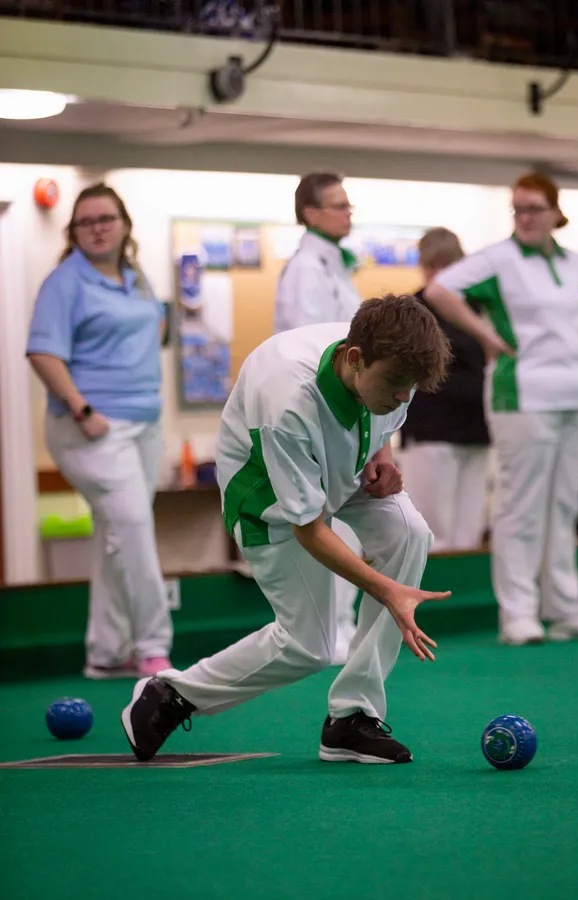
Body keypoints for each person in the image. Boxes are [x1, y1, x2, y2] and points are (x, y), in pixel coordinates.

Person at [121, 295, 452, 765]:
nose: (404, 396)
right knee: (308, 647)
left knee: (410, 534)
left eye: (412, 388)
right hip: (267, 497)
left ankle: (352, 719)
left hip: (343, 467)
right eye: (397, 385)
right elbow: (310, 529)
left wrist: (383, 456)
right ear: (355, 360)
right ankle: (172, 694)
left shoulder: (392, 362)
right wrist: (388, 591)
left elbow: (386, 416)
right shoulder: (290, 405)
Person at [424, 172, 578, 645]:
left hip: (576, 395)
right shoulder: (498, 260)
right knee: (520, 506)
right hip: (521, 394)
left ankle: (565, 607)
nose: (524, 217)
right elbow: (440, 291)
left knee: (563, 506)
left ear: (555, 214)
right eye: (517, 209)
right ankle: (518, 613)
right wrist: (486, 336)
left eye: (533, 209)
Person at [27, 182, 173, 679]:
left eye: (105, 218)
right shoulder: (64, 281)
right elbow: (44, 352)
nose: (96, 228)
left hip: (144, 424)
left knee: (117, 531)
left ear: (124, 225)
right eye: (85, 222)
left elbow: (155, 328)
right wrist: (82, 409)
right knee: (132, 527)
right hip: (90, 427)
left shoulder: (136, 277)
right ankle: (154, 648)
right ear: (73, 231)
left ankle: (108, 652)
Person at [274, 171, 363, 665]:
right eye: (338, 205)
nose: (348, 213)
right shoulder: (308, 267)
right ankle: (329, 630)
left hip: (343, 409)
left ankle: (340, 626)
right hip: (320, 408)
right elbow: (310, 342)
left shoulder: (333, 264)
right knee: (324, 520)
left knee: (343, 519)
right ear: (310, 213)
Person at [400, 228, 490, 552]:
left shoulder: (479, 307)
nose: (437, 274)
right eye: (430, 266)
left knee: (470, 530)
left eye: (445, 265)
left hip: (477, 428)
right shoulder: (411, 310)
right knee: (431, 531)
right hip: (430, 430)